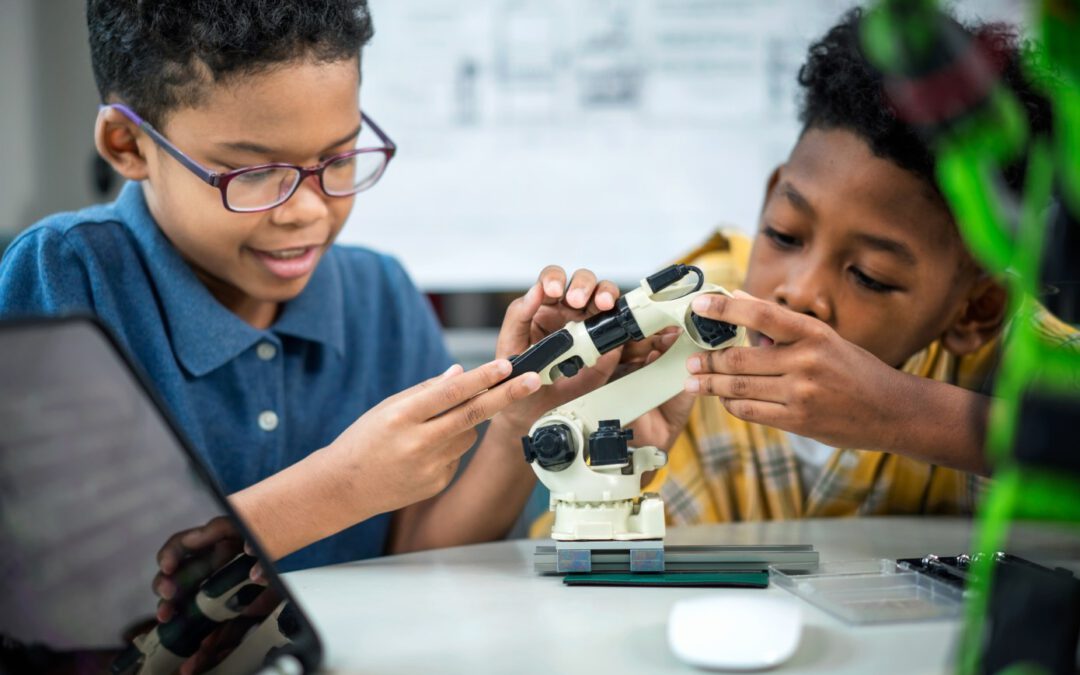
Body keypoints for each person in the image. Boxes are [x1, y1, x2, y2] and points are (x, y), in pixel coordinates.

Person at [0, 0, 625, 588]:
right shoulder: (65, 273)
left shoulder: (379, 293)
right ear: (128, 145)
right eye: (254, 173)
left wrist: (521, 413)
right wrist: (341, 487)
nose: (306, 211)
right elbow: (64, 580)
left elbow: (425, 555)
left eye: (340, 157)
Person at [534, 7, 1072, 536]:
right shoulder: (683, 328)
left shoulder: (1029, 365)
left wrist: (903, 415)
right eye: (785, 235)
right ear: (769, 201)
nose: (800, 291)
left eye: (870, 275)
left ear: (975, 309)